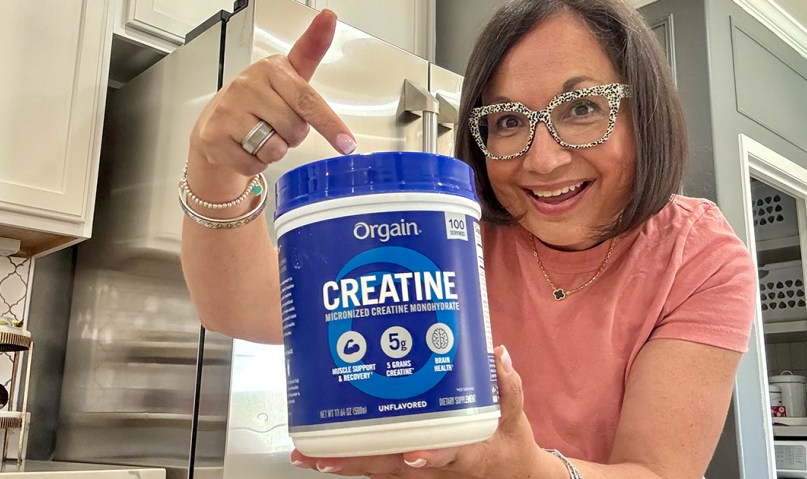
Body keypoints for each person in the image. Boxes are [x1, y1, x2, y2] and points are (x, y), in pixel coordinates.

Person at [181, 0, 757, 477]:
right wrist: (215, 165)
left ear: (646, 111)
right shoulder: (447, 231)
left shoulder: (698, 256)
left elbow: (657, 472)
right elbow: (237, 305)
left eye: (581, 107)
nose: (544, 158)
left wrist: (520, 469)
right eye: (507, 120)